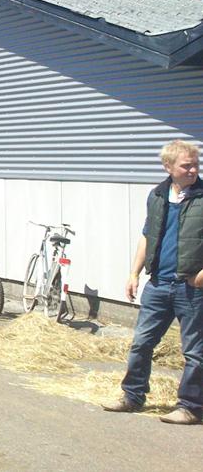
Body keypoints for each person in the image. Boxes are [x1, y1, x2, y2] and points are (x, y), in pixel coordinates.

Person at [103, 140, 203, 424]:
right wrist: (134, 273)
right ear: (168, 166)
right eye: (186, 165)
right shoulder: (158, 195)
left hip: (191, 288)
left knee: (195, 351)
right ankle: (132, 396)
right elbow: (147, 236)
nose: (193, 169)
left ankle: (191, 407)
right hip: (158, 283)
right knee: (141, 343)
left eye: (196, 164)